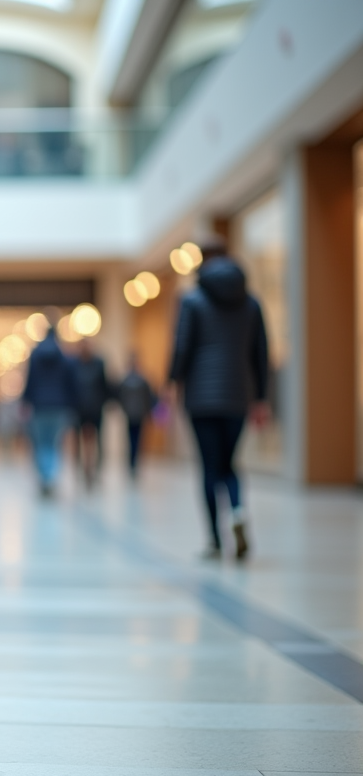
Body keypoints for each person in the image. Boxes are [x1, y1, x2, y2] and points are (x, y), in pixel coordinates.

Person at [168, 238, 269, 562]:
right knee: (230, 464)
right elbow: (260, 353)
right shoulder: (251, 303)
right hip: (238, 394)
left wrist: (173, 382)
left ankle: (214, 539)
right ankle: (237, 511)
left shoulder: (192, 300)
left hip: (201, 396)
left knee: (209, 467)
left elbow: (182, 346)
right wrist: (261, 397)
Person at [21, 315, 76, 497]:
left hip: (39, 407)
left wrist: (25, 401)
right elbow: (70, 384)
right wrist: (71, 404)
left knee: (41, 443)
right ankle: (50, 476)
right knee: (54, 443)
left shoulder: (35, 355)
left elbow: (30, 381)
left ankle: (45, 477)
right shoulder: (64, 357)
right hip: (59, 407)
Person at [71, 338, 110, 489]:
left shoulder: (99, 363)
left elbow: (104, 386)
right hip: (78, 409)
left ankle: (96, 470)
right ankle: (79, 469)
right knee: (77, 441)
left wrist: (105, 402)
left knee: (97, 440)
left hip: (95, 409)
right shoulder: (73, 364)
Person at [117, 353, 156, 478]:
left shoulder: (126, 380)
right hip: (138, 414)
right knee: (137, 439)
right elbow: (149, 398)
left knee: (132, 439)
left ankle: (132, 463)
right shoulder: (143, 380)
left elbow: (121, 398)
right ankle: (134, 463)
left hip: (132, 414)